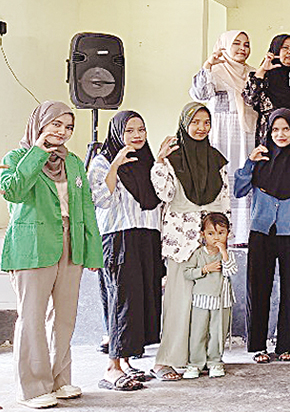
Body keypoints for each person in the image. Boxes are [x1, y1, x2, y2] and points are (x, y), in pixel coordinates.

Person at [2, 101, 102, 408]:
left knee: (65, 317)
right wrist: (38, 152)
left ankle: (59, 380)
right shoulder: (17, 157)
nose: (62, 131)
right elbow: (14, 191)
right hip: (33, 245)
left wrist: (93, 252)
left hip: (71, 244)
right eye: (56, 124)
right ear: (41, 123)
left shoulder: (72, 162)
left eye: (68, 127)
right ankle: (32, 388)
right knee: (31, 318)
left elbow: (86, 206)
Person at [151, 102, 230, 381]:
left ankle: (205, 358)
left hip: (209, 239)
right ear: (185, 124)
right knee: (179, 300)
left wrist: (221, 239)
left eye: (206, 122)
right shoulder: (172, 160)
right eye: (195, 122)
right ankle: (168, 360)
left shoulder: (216, 159)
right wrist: (159, 162)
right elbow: (164, 194)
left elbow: (224, 201)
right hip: (181, 240)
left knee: (207, 304)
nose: (201, 128)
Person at [88, 111, 162, 392]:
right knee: (122, 300)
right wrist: (116, 165)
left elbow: (157, 200)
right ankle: (112, 367)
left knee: (140, 300)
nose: (137, 135)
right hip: (119, 237)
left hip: (146, 235)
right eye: (130, 130)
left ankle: (127, 361)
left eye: (141, 129)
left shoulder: (147, 160)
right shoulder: (102, 160)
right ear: (118, 132)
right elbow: (101, 200)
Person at [234, 109, 290, 364]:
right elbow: (239, 189)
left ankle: (289, 344)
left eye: (286, 129)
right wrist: (250, 162)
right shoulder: (261, 157)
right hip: (261, 231)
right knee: (258, 288)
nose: (280, 134)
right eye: (275, 129)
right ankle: (257, 345)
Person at [190, 30, 255, 246]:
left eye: (246, 44)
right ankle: (216, 234)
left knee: (243, 181)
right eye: (236, 43)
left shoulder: (253, 73)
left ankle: (242, 235)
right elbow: (200, 95)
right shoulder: (215, 71)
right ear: (224, 45)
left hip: (246, 138)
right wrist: (208, 65)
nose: (242, 48)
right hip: (221, 138)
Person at [182, 213, 237, 379]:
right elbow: (187, 273)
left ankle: (215, 362)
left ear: (228, 233)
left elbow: (231, 271)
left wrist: (224, 252)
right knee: (198, 333)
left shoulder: (228, 254)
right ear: (203, 234)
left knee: (218, 333)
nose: (216, 238)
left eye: (221, 233)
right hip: (201, 301)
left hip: (222, 302)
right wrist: (205, 269)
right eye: (211, 233)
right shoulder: (198, 254)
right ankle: (195, 364)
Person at [243, 34, 290, 145]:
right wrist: (263, 70)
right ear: (276, 49)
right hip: (271, 137)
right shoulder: (264, 76)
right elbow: (250, 99)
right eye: (285, 48)